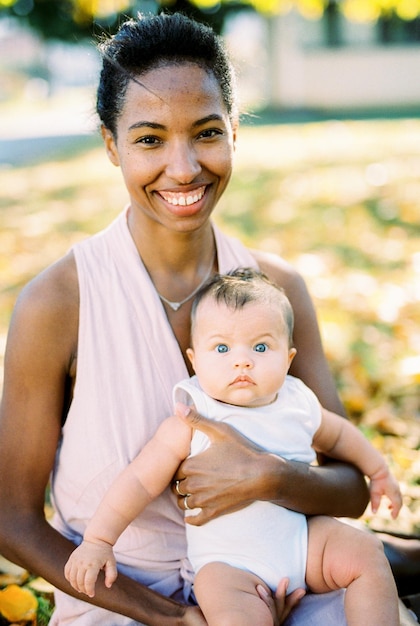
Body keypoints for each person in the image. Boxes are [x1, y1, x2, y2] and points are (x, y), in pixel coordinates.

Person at [0, 11, 417, 626]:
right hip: (125, 609)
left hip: (282, 581)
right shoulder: (58, 303)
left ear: (234, 133)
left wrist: (266, 477)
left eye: (205, 132)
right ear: (111, 145)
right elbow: (11, 519)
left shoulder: (281, 291)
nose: (184, 167)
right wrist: (173, 620)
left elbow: (351, 485)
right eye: (149, 139)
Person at [64, 268, 403, 626]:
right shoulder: (193, 416)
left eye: (260, 347)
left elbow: (339, 436)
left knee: (365, 552)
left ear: (287, 359)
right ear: (195, 360)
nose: (242, 361)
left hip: (304, 545)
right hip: (230, 566)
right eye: (222, 347)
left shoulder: (297, 401)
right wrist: (99, 539)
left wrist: (378, 471)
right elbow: (140, 481)